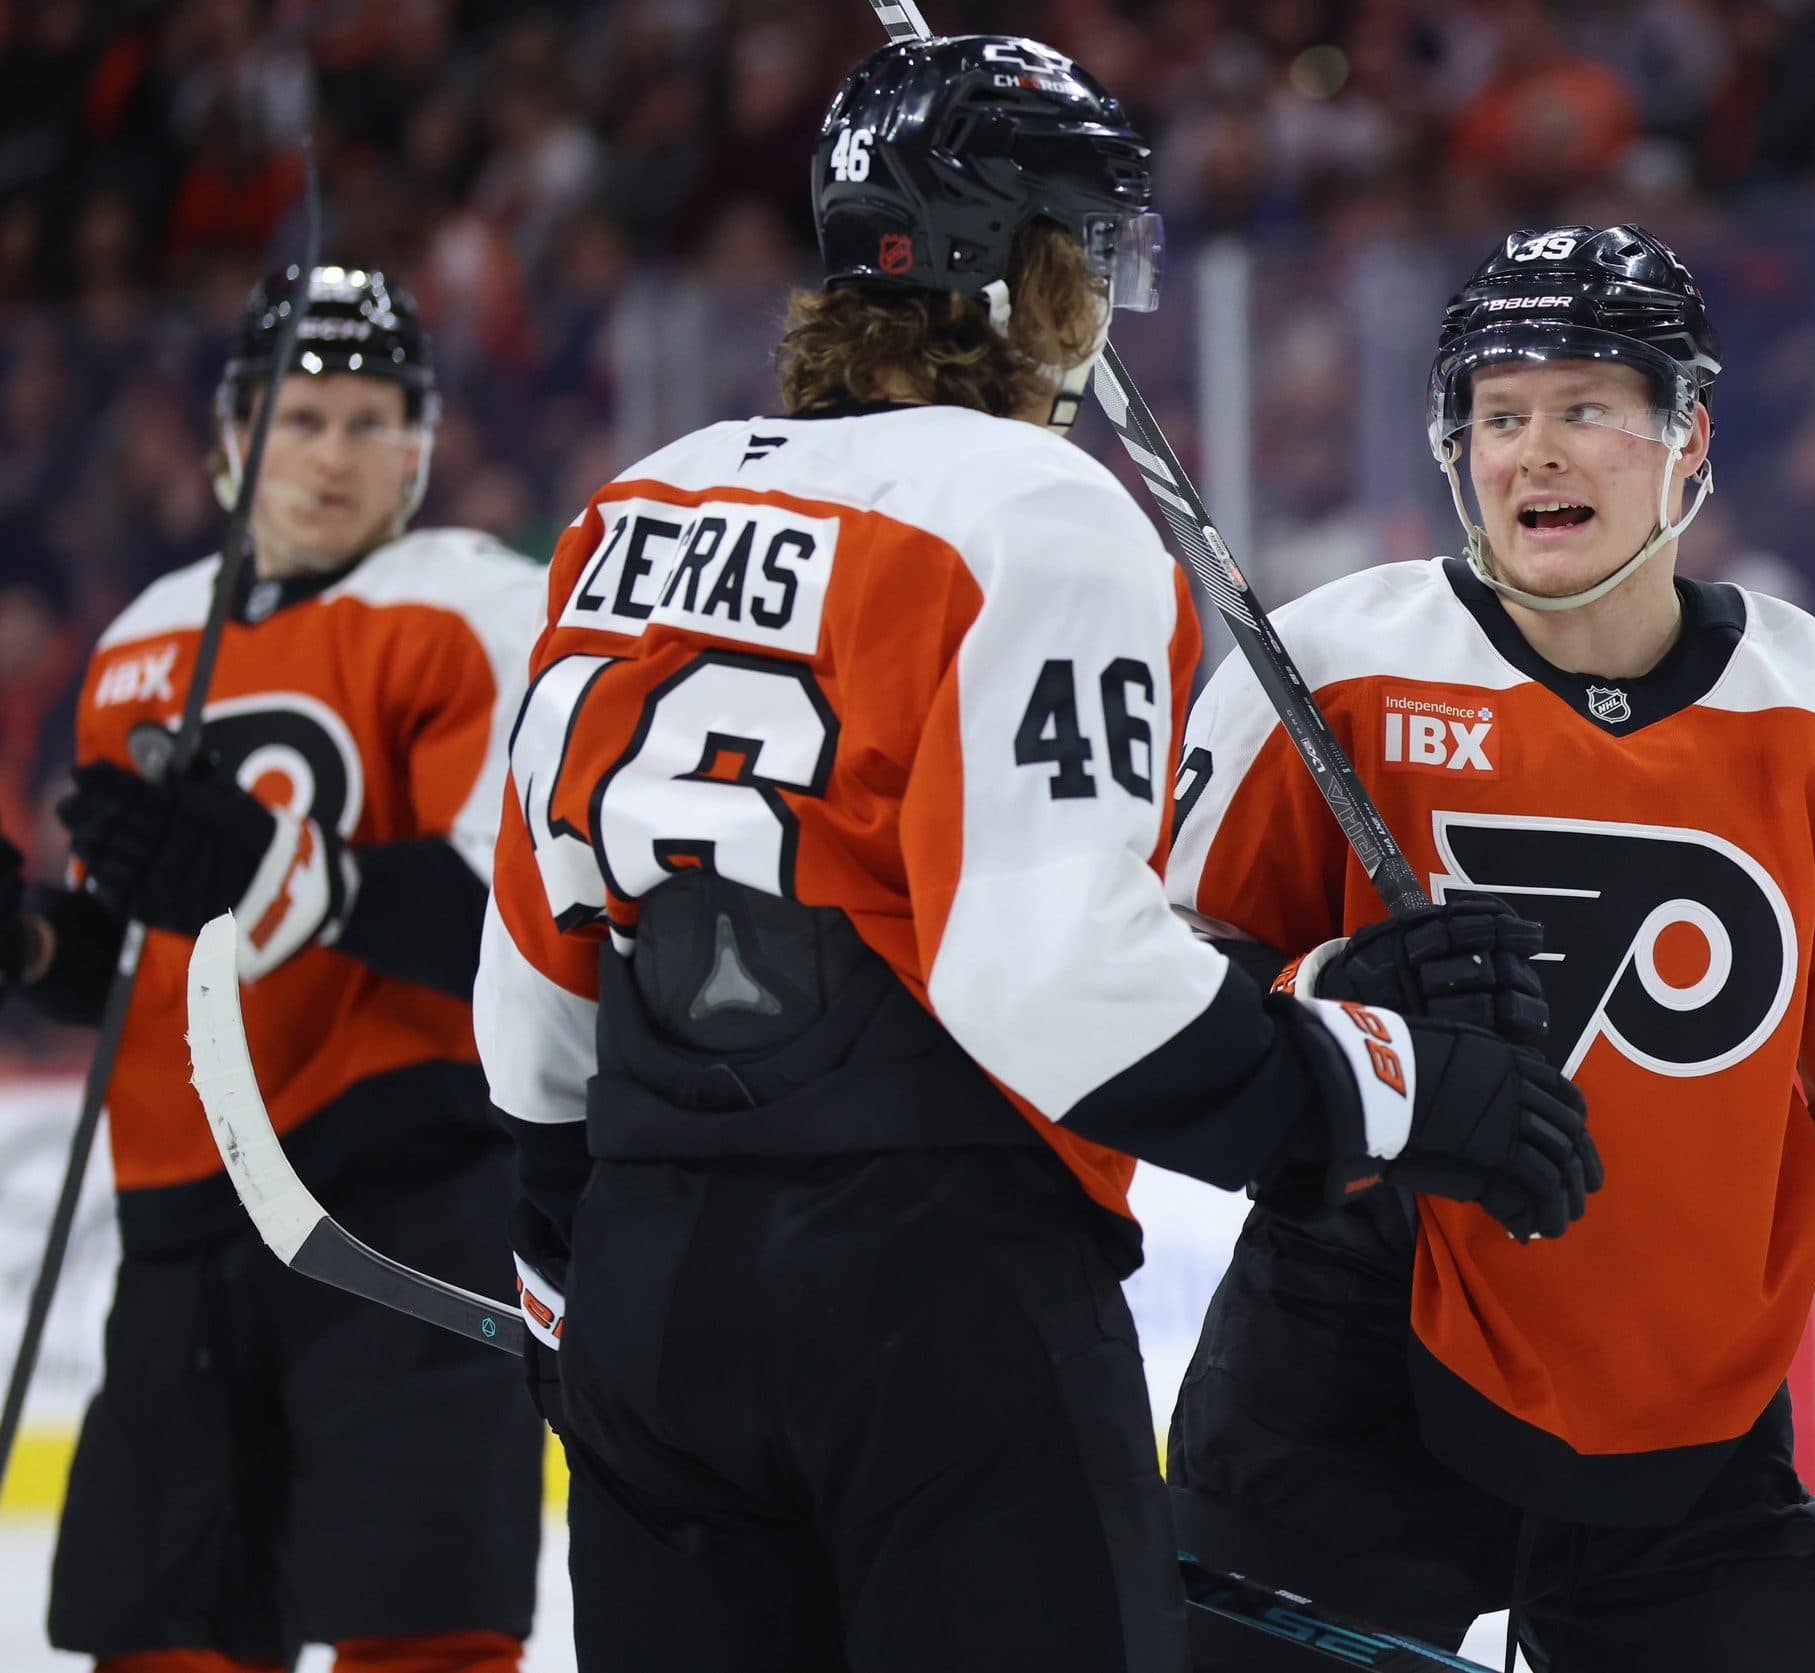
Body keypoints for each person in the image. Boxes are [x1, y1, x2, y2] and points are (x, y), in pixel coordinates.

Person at [471, 35, 1595, 1671]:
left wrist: (569, 1250)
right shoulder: (1029, 507)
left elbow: (534, 970)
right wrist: (1408, 1091)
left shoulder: (643, 498)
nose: (1110, 307)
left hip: (648, 1276)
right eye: (1100, 257)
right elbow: (1052, 981)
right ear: (1021, 272)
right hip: (927, 1293)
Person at [1163, 223, 1815, 1672]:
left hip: (1686, 1418)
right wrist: (1335, 997)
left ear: (1684, 435)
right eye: (1499, 414)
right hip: (1338, 1388)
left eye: (1586, 407)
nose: (1536, 452)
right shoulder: (1333, 666)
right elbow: (1156, 1008)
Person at [0, 266, 546, 1672]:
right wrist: (39, 944)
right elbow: (146, 947)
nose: (333, 454)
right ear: (231, 436)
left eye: (373, 419)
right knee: (163, 1638)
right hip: (183, 1206)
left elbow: (513, 912)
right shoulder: (144, 641)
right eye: (302, 416)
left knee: (420, 1634)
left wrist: (283, 875)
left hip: (400, 1206)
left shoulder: (477, 605)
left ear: (423, 445)